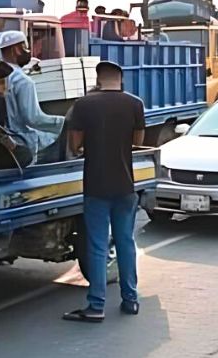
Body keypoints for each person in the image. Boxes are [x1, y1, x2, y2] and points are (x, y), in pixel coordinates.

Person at [62, 62, 147, 323]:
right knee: (125, 243)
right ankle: (130, 300)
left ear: (98, 80)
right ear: (120, 79)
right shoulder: (135, 103)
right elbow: (139, 141)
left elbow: (75, 144)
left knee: (97, 245)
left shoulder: (84, 104)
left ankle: (96, 305)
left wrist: (86, 145)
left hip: (96, 186)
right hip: (125, 186)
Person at [0, 31, 67, 164]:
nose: (28, 51)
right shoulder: (23, 80)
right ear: (16, 49)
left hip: (5, 139)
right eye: (25, 47)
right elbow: (33, 119)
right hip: (23, 142)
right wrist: (64, 122)